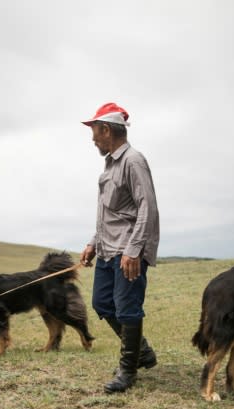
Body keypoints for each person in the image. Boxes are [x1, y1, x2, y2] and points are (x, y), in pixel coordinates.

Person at [79, 102, 160, 393]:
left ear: (106, 129)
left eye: (94, 132)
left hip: (127, 249)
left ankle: (128, 370)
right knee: (102, 303)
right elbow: (109, 213)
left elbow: (146, 207)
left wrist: (134, 249)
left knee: (127, 308)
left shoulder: (133, 161)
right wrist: (92, 242)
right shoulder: (110, 163)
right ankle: (142, 351)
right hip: (107, 248)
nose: (92, 139)